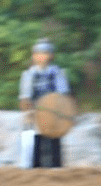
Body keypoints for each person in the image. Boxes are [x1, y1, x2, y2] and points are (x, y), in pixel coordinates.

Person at [18, 39, 71, 169]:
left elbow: (63, 92)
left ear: (51, 55)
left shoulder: (56, 72)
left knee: (54, 140)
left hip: (53, 112)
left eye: (45, 53)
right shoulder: (29, 74)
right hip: (36, 112)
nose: (42, 56)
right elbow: (25, 96)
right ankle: (36, 167)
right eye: (39, 53)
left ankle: (56, 166)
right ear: (34, 56)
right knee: (37, 141)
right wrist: (27, 112)